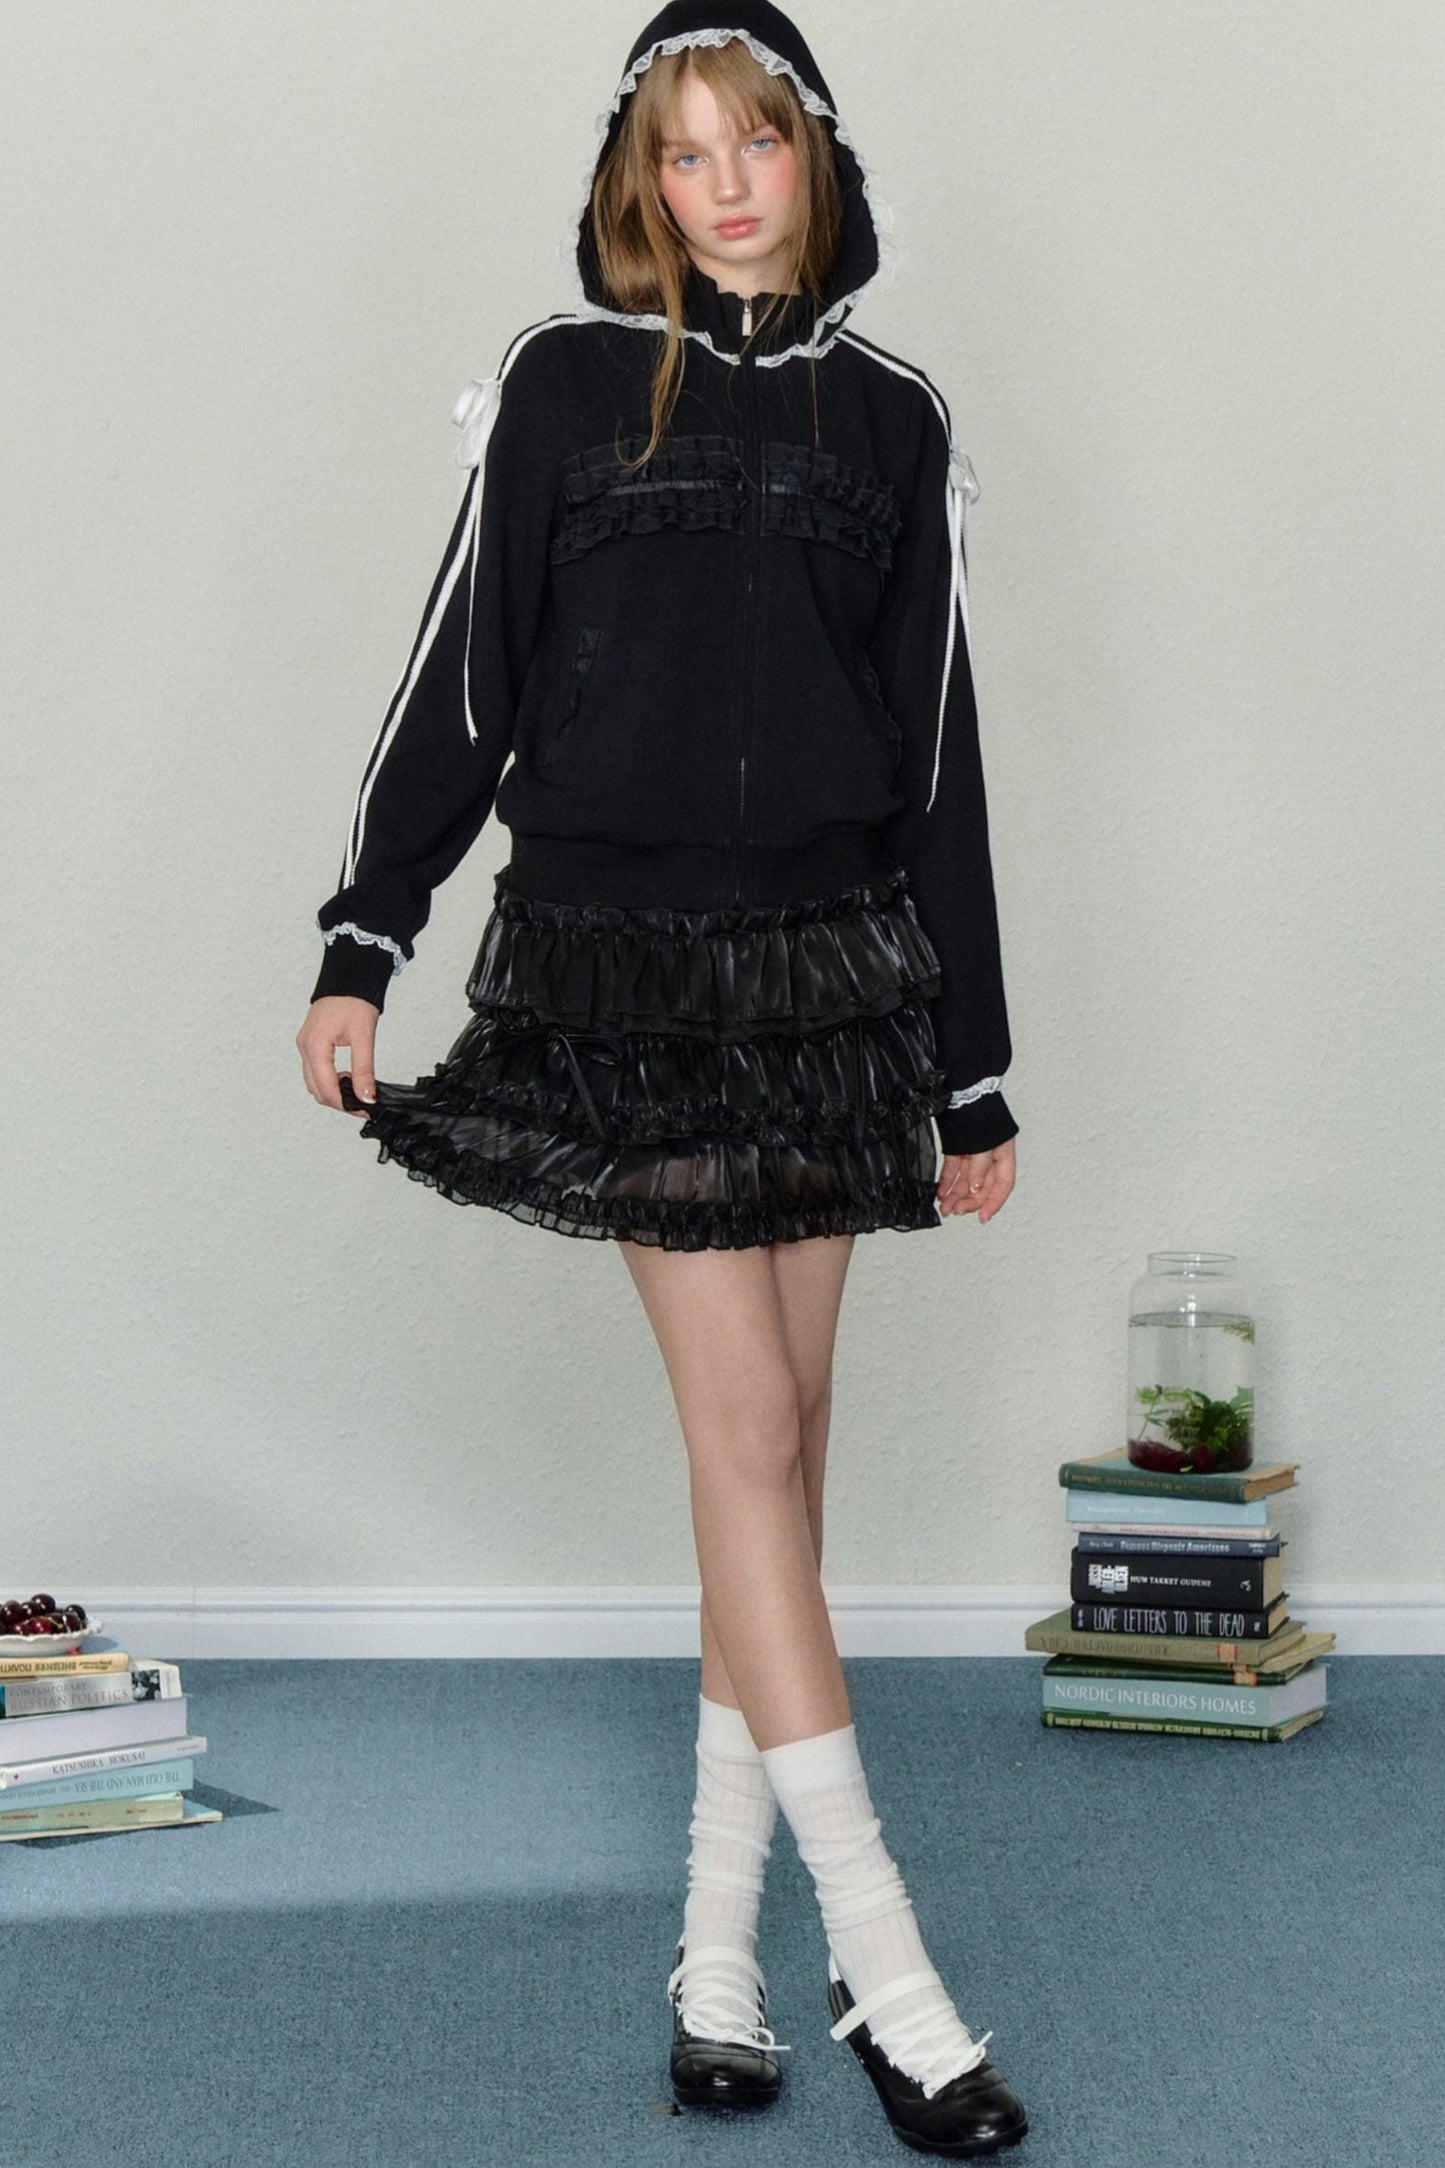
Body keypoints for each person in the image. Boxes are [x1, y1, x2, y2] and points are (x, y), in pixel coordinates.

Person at [295, 1, 1027, 2154]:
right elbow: (464, 672)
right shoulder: (561, 382)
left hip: (838, 974)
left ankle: (716, 1961)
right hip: (624, 971)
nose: (721, 188)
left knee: (777, 1469)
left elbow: (938, 757)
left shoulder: (895, 419)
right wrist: (365, 936)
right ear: (640, 178)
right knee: (749, 1437)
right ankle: (888, 1965)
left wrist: (972, 1070)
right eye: (681, 152)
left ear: (817, 161)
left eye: (755, 147)